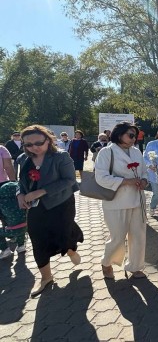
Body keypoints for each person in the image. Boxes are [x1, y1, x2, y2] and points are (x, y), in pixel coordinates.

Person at [16, 125, 83, 297]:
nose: (34, 147)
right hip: (36, 208)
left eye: (38, 143)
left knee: (63, 232)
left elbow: (69, 180)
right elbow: (19, 181)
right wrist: (20, 194)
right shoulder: (23, 158)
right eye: (28, 144)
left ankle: (70, 248)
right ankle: (46, 277)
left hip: (61, 204)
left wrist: (41, 191)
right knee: (37, 240)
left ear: (48, 140)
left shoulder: (61, 156)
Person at [95, 122, 148, 280]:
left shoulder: (137, 152)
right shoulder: (106, 152)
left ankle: (135, 266)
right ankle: (106, 262)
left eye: (135, 136)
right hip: (116, 202)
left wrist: (144, 181)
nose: (133, 139)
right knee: (117, 237)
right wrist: (127, 181)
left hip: (137, 200)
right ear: (119, 135)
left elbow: (144, 171)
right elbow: (101, 178)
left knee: (139, 235)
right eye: (130, 135)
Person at [0, 181, 27, 259]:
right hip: (27, 227)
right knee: (21, 227)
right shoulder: (22, 200)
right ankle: (21, 246)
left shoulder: (3, 203)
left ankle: (5, 250)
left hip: (13, 230)